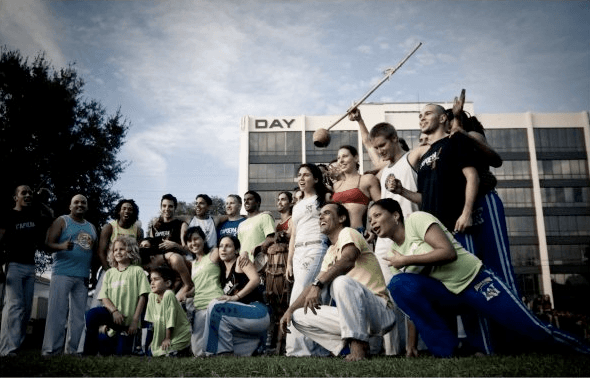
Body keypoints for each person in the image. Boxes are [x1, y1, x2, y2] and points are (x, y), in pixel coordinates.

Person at [369, 198, 590, 357]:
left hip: (475, 281)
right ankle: (448, 350)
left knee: (531, 330)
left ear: (396, 215)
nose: (373, 223)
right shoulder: (394, 257)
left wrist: (407, 260)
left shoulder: (417, 220)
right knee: (397, 284)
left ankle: (582, 348)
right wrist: (410, 345)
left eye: (377, 215)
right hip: (448, 295)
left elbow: (448, 253)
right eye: (370, 220)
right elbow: (411, 305)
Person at [280, 203, 395, 361]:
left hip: (379, 311)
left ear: (342, 218)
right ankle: (347, 347)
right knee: (299, 316)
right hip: (353, 317)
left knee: (341, 281)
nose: (321, 216)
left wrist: (318, 285)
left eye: (326, 213)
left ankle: (358, 348)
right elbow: (314, 283)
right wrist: (290, 310)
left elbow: (348, 260)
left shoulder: (348, 232)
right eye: (320, 214)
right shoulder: (330, 251)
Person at [351, 108, 424, 356]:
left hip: (411, 235)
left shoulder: (412, 159)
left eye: (383, 145)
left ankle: (416, 347)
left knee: (412, 292)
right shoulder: (383, 169)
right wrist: (360, 120)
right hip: (385, 241)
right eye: (377, 148)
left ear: (394, 139)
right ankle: (393, 350)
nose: (380, 151)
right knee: (388, 294)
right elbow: (367, 143)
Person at [42, 194, 98, 356]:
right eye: (76, 202)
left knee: (78, 316)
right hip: (62, 273)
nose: (80, 205)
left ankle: (73, 351)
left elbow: (93, 255)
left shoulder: (92, 227)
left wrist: (93, 275)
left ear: (86, 207)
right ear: (70, 206)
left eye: (83, 202)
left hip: (82, 276)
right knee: (56, 313)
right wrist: (61, 246)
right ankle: (51, 351)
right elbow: (48, 244)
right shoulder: (62, 221)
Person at [285, 163, 331, 356]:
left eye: (306, 175)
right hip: (298, 252)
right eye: (299, 175)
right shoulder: (296, 206)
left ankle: (297, 349)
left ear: (317, 179)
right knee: (312, 297)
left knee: (300, 295)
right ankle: (316, 348)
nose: (301, 178)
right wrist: (289, 261)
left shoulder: (325, 198)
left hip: (316, 247)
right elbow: (293, 235)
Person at [0, 185, 51, 356]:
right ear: (15, 197)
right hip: (13, 265)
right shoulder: (8, 215)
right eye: (24, 193)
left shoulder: (34, 215)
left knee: (26, 309)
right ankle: (7, 349)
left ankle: (16, 346)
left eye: (30, 193)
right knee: (14, 306)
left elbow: (50, 215)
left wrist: (38, 200)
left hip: (30, 266)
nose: (27, 195)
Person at [203, 236, 270, 356]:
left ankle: (219, 353)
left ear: (236, 250)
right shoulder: (222, 273)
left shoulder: (240, 261)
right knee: (214, 308)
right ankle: (254, 347)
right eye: (221, 246)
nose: (223, 249)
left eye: (228, 246)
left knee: (216, 307)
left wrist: (236, 297)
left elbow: (255, 279)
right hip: (242, 318)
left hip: (257, 311)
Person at [83, 236, 150, 356]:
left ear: (130, 250)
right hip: (113, 317)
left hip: (128, 322)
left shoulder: (137, 271)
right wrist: (114, 311)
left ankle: (124, 341)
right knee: (92, 314)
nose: (118, 252)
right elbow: (104, 296)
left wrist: (135, 321)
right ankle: (88, 354)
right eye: (115, 250)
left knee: (121, 354)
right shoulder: (109, 273)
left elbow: (143, 297)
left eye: (122, 249)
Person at [92, 199, 143, 308]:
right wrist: (109, 270)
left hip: (129, 271)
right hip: (110, 268)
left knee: (125, 303)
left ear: (134, 212)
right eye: (124, 208)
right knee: (99, 301)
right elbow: (101, 251)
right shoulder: (109, 227)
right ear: (119, 211)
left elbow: (138, 253)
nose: (127, 211)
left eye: (130, 209)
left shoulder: (137, 231)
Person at [183, 226, 223, 356]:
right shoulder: (193, 264)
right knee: (196, 351)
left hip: (214, 304)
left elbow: (230, 250)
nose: (193, 243)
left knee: (211, 349)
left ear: (204, 239)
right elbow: (198, 285)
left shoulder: (214, 253)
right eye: (189, 241)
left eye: (196, 239)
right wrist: (187, 294)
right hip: (198, 308)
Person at [147, 194, 193, 302]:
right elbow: (150, 245)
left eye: (170, 206)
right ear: (161, 207)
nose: (167, 209)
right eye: (164, 206)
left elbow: (188, 249)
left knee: (175, 259)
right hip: (159, 260)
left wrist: (175, 245)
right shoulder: (155, 226)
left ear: (175, 208)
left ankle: (187, 285)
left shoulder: (181, 224)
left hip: (176, 261)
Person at [331, 145, 380, 233]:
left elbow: (381, 206)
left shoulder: (367, 179)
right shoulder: (336, 185)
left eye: (345, 156)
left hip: (357, 231)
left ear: (356, 158)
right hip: (337, 236)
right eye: (338, 158)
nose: (341, 161)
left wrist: (372, 228)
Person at [145, 265, 192, 357]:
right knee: (153, 353)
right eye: (151, 280)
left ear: (167, 283)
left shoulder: (168, 294)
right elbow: (152, 322)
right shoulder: (152, 296)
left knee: (165, 355)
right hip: (166, 336)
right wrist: (152, 341)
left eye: (156, 279)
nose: (152, 283)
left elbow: (170, 320)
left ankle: (185, 349)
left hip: (180, 335)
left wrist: (167, 338)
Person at [237, 190, 275, 262]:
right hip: (243, 264)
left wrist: (259, 247)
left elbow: (271, 238)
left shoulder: (265, 217)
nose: (246, 202)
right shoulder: (241, 224)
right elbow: (240, 245)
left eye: (250, 199)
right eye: (244, 200)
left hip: (261, 264)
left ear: (258, 202)